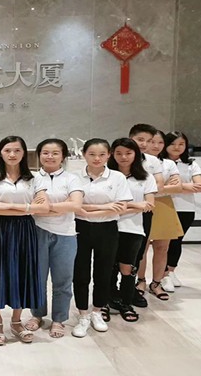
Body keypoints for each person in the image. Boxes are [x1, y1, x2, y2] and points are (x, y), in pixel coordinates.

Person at [0, 136, 50, 345]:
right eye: (7, 150)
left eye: (17, 150)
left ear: (24, 153)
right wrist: (29, 207)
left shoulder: (35, 178)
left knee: (22, 272)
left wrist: (11, 207)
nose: (12, 154)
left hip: (25, 229)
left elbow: (44, 208)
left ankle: (17, 321)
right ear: (0, 153)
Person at [71, 139, 132, 338]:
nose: (97, 158)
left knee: (104, 272)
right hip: (79, 228)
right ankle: (83, 314)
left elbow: (121, 207)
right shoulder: (74, 177)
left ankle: (97, 311)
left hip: (108, 229)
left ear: (108, 155)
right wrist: (106, 207)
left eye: (102, 154)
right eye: (92, 154)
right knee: (80, 272)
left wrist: (87, 209)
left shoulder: (117, 177)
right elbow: (74, 207)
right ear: (83, 154)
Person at [27, 139, 83, 338]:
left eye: (55, 153)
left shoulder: (72, 178)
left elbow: (76, 205)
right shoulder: (31, 178)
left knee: (63, 280)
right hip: (37, 232)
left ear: (63, 156)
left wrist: (45, 207)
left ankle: (59, 319)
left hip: (66, 234)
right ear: (39, 155)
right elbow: (30, 206)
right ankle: (37, 314)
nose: (49, 156)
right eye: (45, 153)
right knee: (37, 277)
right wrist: (61, 206)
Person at [107, 138, 157, 322]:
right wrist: (136, 205)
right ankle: (107, 301)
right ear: (112, 154)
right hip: (108, 227)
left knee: (128, 267)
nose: (123, 157)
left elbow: (149, 205)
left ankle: (126, 303)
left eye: (128, 153)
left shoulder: (146, 177)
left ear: (136, 154)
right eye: (119, 153)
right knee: (108, 267)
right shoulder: (107, 175)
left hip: (134, 229)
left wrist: (119, 207)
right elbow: (103, 203)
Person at [136, 130, 183, 300]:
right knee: (141, 248)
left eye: (160, 142)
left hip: (164, 206)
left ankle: (156, 283)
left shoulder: (169, 164)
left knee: (162, 248)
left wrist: (156, 188)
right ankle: (140, 280)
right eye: (151, 141)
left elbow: (178, 187)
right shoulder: (135, 161)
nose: (155, 146)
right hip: (142, 206)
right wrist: (161, 187)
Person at [160, 131, 201, 289]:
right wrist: (186, 186)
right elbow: (158, 187)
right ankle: (163, 274)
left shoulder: (191, 164)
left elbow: (200, 187)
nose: (177, 147)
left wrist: (175, 186)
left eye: (181, 144)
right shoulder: (160, 164)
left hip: (186, 208)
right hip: (165, 207)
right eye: (173, 144)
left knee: (177, 241)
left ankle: (171, 271)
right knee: (163, 243)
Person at [127, 124, 165, 308]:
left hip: (144, 212)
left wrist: (146, 194)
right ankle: (112, 290)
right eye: (140, 139)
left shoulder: (152, 161)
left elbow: (159, 185)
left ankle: (131, 287)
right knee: (115, 253)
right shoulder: (119, 157)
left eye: (149, 141)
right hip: (117, 212)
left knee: (139, 250)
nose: (144, 144)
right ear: (130, 138)